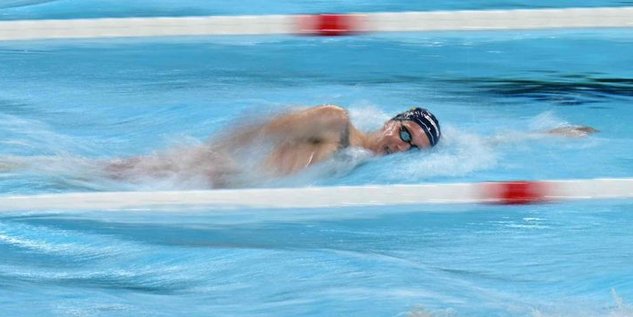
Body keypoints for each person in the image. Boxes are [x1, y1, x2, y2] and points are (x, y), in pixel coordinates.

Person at [106, 105, 594, 185]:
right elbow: (258, 128)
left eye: (414, 149)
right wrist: (206, 160)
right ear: (388, 122)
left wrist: (543, 136)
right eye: (404, 134)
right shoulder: (336, 124)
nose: (403, 148)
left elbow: (478, 142)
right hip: (194, 173)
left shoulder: (359, 160)